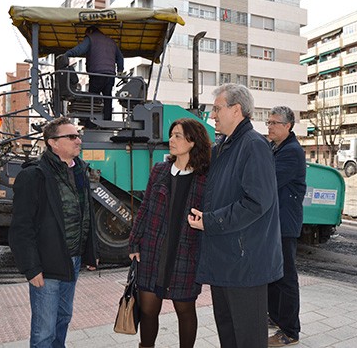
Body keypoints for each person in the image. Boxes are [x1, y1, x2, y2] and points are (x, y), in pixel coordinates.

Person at [188, 83, 283, 348]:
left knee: (248, 339)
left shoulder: (253, 146)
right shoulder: (225, 146)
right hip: (227, 259)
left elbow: (256, 202)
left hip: (245, 263)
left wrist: (211, 220)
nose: (213, 115)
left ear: (237, 109)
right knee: (229, 336)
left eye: (217, 109)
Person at [8, 117, 97, 348]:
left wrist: (89, 253)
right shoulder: (34, 175)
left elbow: (85, 215)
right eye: (71, 136)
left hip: (72, 261)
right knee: (44, 330)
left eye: (78, 136)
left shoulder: (80, 172)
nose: (78, 140)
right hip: (46, 265)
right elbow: (21, 227)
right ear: (53, 143)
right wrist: (31, 268)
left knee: (63, 319)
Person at [129, 118, 211, 348]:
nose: (171, 140)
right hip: (153, 248)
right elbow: (145, 207)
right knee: (148, 309)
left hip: (185, 250)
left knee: (184, 309)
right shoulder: (160, 170)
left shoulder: (205, 176)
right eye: (171, 134)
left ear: (192, 141)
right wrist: (134, 242)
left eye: (178, 136)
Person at [266, 106, 307, 347]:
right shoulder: (276, 147)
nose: (269, 126)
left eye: (274, 123)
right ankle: (276, 317)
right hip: (275, 223)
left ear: (288, 126)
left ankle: (290, 331)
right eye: (268, 122)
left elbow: (269, 180)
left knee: (286, 278)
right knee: (273, 274)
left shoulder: (291, 152)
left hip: (284, 224)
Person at [62, 26, 124, 120]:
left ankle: (92, 121)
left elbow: (80, 49)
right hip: (110, 74)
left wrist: (67, 54)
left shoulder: (91, 38)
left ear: (89, 32)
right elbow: (120, 57)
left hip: (97, 73)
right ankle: (107, 120)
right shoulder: (111, 41)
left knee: (93, 98)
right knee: (107, 97)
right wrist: (120, 70)